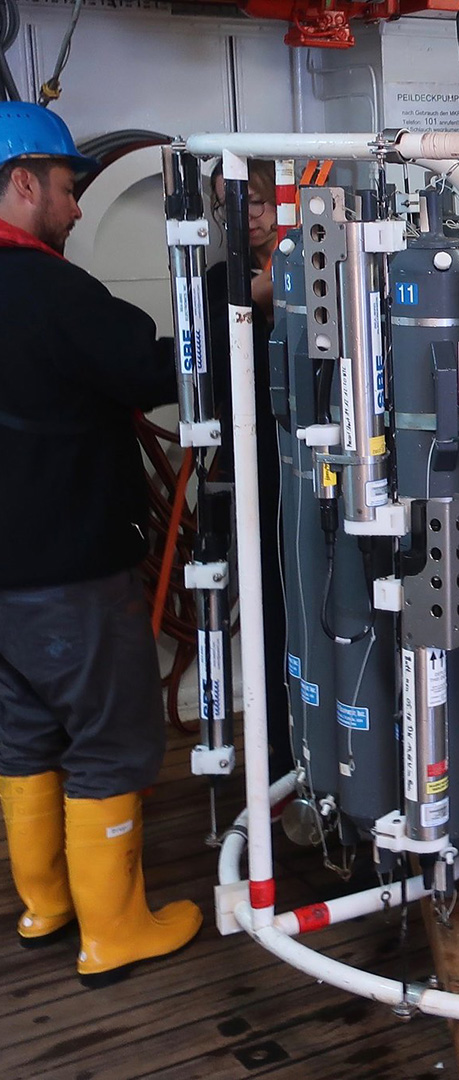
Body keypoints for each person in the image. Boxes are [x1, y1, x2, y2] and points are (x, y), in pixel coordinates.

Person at [0, 102, 201, 987]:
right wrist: (247, 305)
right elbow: (155, 370)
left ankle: (47, 907)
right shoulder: (50, 290)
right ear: (22, 181)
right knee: (110, 742)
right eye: (70, 189)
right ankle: (113, 931)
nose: (78, 208)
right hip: (71, 573)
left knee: (23, 738)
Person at [205, 159, 294, 775]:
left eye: (256, 202)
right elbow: (210, 375)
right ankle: (280, 754)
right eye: (231, 206)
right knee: (266, 606)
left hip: (317, 467)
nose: (247, 218)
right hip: (257, 469)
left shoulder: (322, 269)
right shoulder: (218, 285)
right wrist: (252, 306)